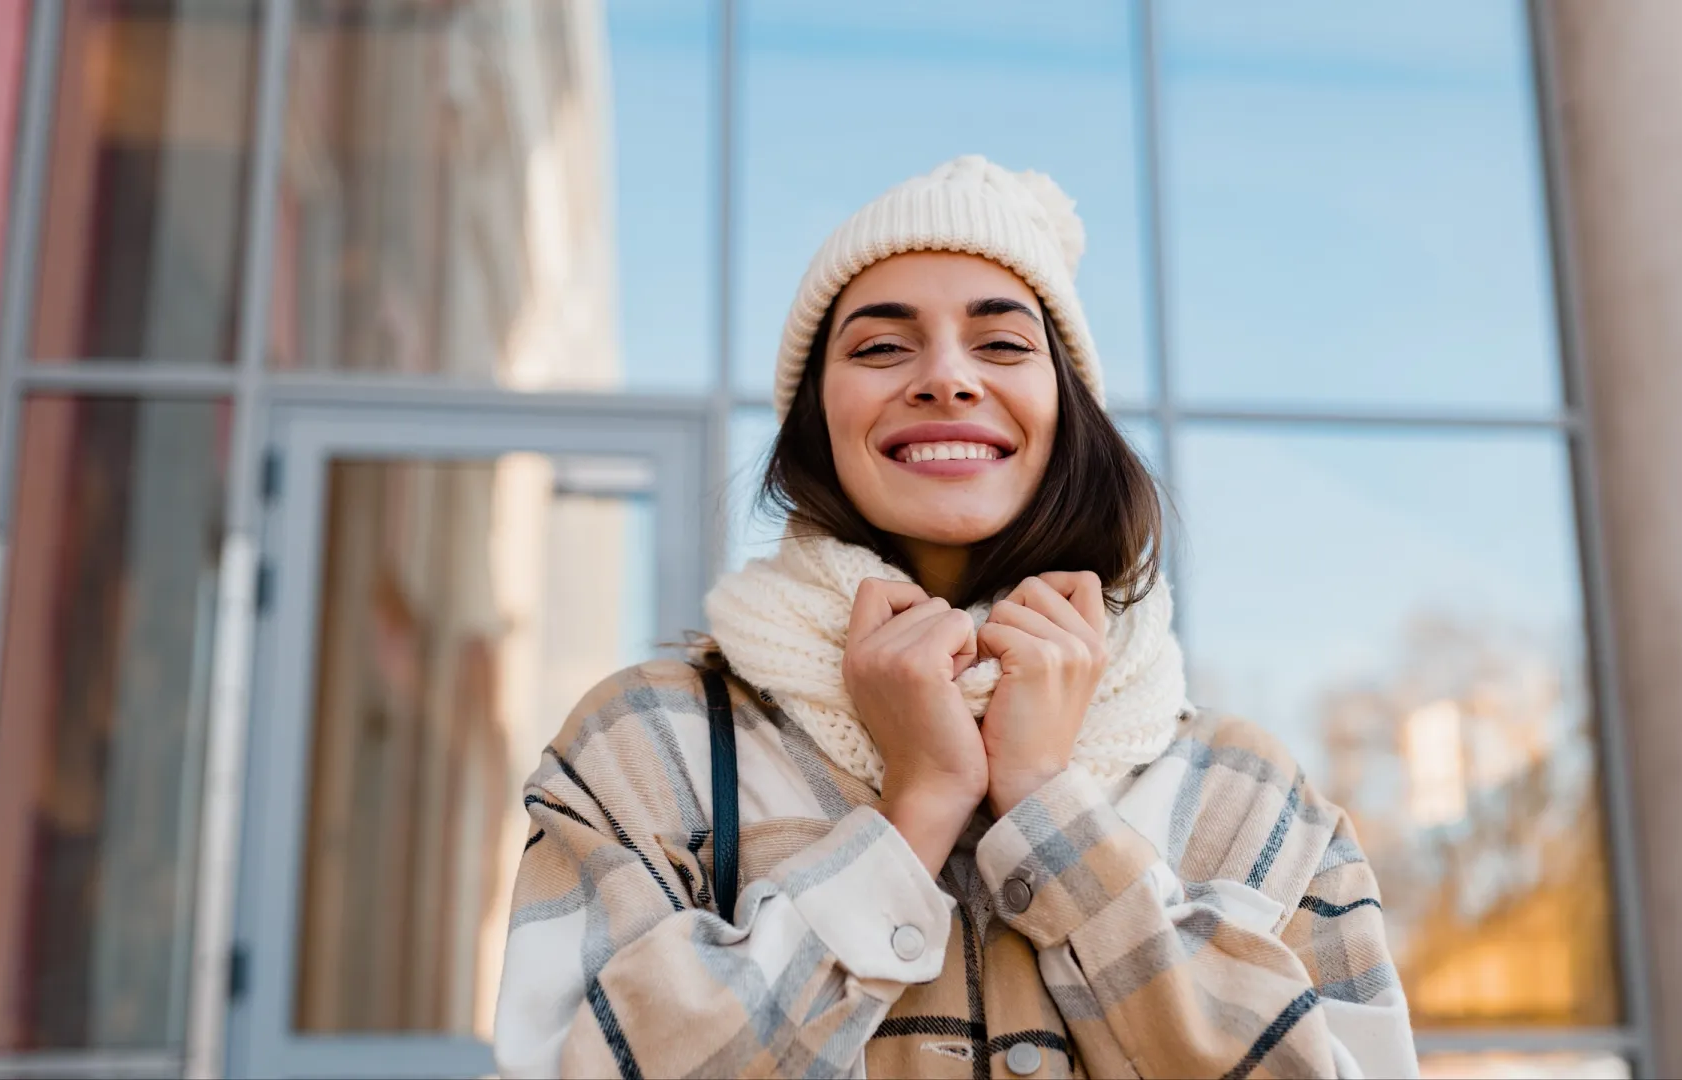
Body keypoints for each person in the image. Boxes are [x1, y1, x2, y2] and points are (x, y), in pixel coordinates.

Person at [494, 155, 1417, 1079]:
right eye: (881, 347)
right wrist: (919, 805)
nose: (945, 378)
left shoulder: (1249, 796)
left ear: (1068, 409)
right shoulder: (649, 745)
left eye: (1004, 345)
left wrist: (1050, 808)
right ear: (817, 418)